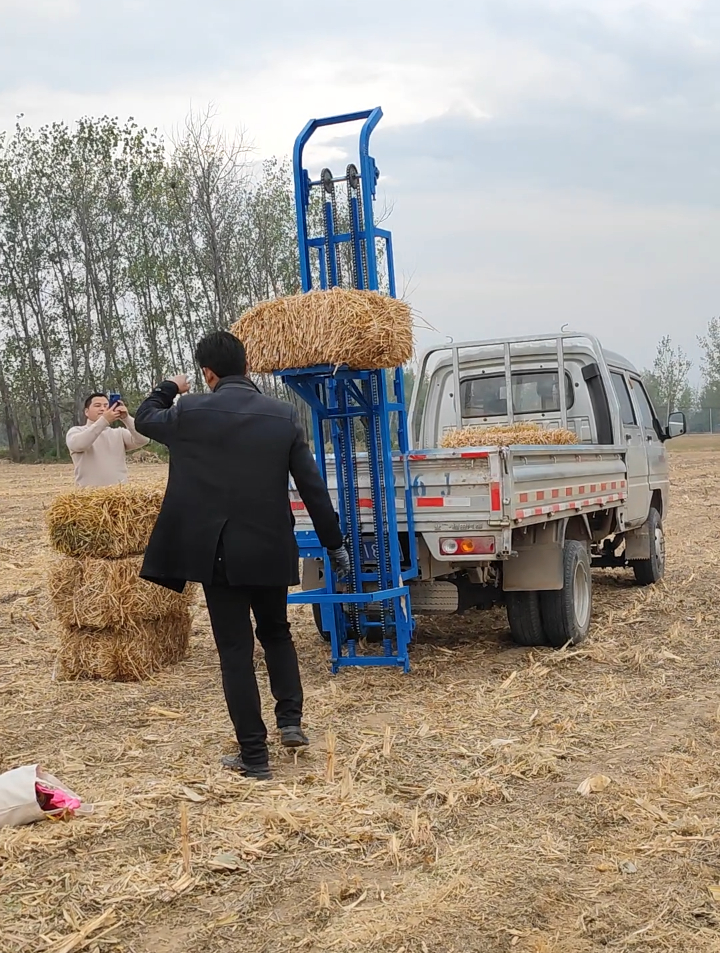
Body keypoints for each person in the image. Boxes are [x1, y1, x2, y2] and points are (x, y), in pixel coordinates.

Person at [134, 331, 350, 780]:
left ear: (207, 373)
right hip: (271, 548)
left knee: (235, 651)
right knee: (276, 632)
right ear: (247, 367)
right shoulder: (282, 416)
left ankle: (254, 756)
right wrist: (334, 543)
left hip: (220, 555)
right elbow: (312, 487)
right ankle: (290, 721)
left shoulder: (190, 412)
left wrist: (172, 387)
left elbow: (145, 418)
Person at [66, 393, 150, 488]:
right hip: (88, 497)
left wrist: (126, 418)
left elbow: (144, 439)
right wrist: (104, 420)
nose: (102, 409)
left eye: (106, 406)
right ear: (86, 412)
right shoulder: (76, 432)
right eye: (97, 406)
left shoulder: (119, 433)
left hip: (119, 496)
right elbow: (80, 445)